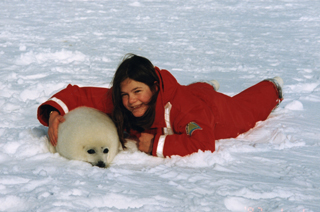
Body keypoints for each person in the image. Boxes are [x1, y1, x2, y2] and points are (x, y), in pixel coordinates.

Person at [37, 54, 283, 157]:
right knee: (193, 90)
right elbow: (81, 95)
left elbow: (203, 142)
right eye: (124, 94)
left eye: (137, 91)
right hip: (190, 94)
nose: (130, 100)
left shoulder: (185, 109)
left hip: (217, 112)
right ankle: (204, 85)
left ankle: (272, 87)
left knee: (247, 110)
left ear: (155, 87)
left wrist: (156, 144)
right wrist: (54, 113)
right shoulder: (126, 102)